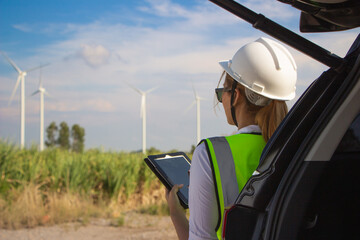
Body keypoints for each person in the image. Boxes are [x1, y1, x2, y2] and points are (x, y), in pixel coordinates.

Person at [165, 37, 297, 240]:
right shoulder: (300, 147)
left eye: (221, 93)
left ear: (235, 95)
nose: (222, 99)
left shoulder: (210, 153)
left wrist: (175, 212)